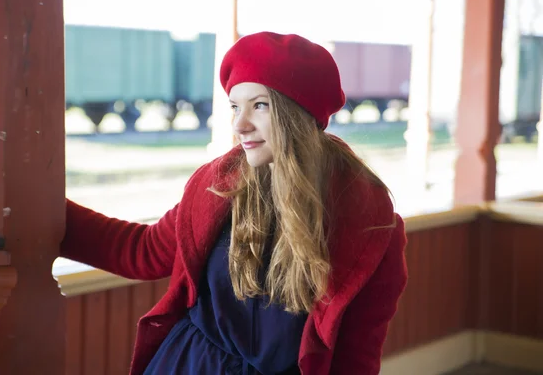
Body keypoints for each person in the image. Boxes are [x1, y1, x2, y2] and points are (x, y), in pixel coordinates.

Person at [61, 31, 408, 375]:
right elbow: (141, 251)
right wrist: (42, 214)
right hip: (187, 366)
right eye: (234, 107)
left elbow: (356, 361)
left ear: (298, 114)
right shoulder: (216, 187)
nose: (239, 124)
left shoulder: (372, 229)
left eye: (259, 105)